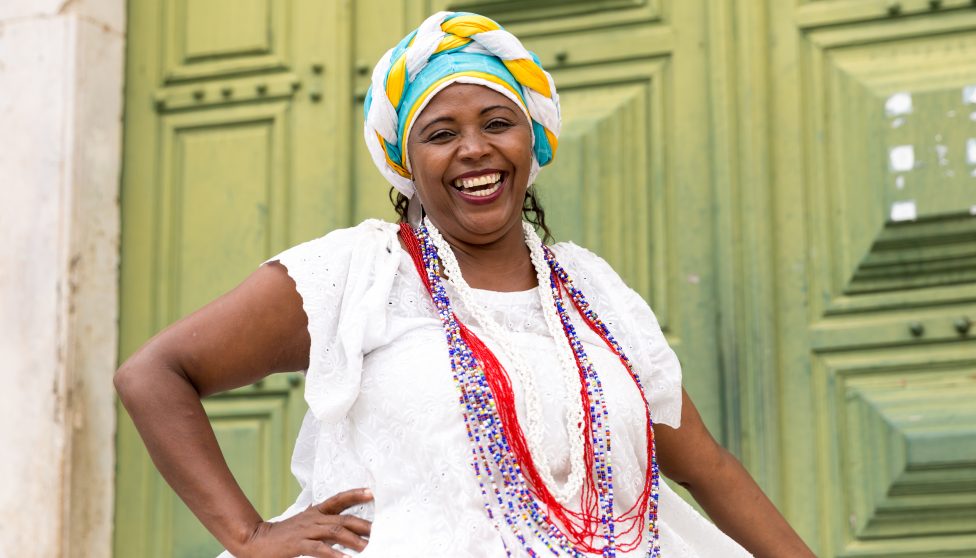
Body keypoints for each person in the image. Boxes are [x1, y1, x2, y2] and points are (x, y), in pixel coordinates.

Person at [114, 11, 815, 558]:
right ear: (405, 162)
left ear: (530, 145)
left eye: (498, 123)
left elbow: (708, 467)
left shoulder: (590, 290)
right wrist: (248, 533)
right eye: (441, 132)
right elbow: (155, 373)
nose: (474, 148)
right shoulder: (360, 272)